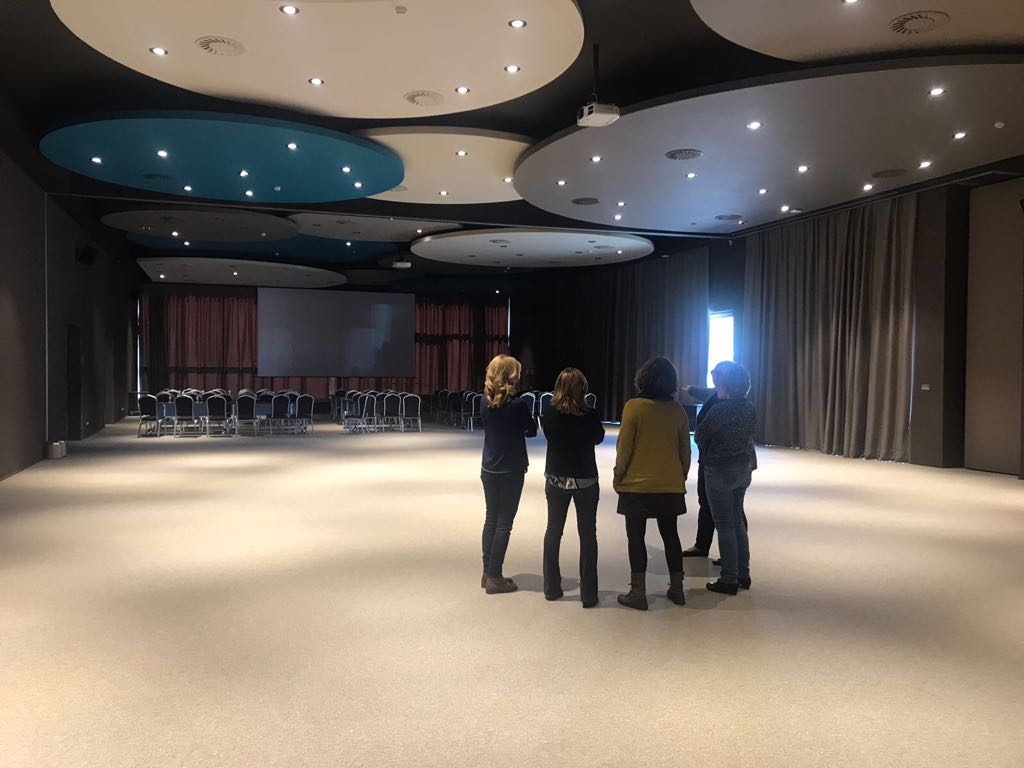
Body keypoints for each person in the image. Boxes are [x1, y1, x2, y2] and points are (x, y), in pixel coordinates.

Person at [613, 357, 691, 610]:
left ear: (643, 378)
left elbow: (624, 448)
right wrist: (680, 477)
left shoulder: (633, 407)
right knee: (671, 536)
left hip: (636, 485)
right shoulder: (678, 411)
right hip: (669, 485)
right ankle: (677, 589)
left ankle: (638, 593)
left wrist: (618, 476)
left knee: (636, 537)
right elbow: (685, 452)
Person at [541, 368, 605, 608]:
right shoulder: (589, 414)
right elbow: (598, 438)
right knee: (588, 534)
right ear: (583, 388)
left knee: (553, 531)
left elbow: (548, 435)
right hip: (585, 478)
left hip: (556, 478)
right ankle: (588, 594)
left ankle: (551, 588)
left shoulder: (549, 412)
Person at [694, 361, 756, 595]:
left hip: (719, 470)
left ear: (727, 385)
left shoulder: (719, 410)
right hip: (742, 468)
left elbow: (699, 436)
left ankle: (729, 578)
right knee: (737, 521)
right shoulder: (749, 407)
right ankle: (743, 573)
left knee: (724, 525)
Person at [681, 363, 752, 561]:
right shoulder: (739, 402)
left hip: (717, 465)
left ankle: (731, 561)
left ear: (726, 378)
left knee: (729, 517)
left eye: (717, 373)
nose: (713, 376)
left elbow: (700, 436)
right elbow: (706, 393)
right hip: (730, 462)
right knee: (710, 504)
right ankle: (706, 546)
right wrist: (691, 389)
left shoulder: (723, 406)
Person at [479, 354, 537, 594]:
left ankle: (487, 572)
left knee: (491, 518)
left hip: (489, 466)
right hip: (511, 468)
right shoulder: (518, 404)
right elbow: (532, 431)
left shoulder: (484, 400)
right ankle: (495, 577)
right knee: (504, 522)